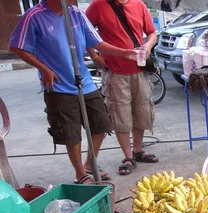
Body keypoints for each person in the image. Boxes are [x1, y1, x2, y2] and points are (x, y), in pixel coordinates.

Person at [9, 0, 138, 184]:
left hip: (83, 81)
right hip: (59, 85)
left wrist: (124, 53)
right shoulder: (34, 16)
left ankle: (88, 163)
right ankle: (80, 174)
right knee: (71, 132)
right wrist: (44, 69)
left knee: (101, 123)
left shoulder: (76, 14)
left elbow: (97, 43)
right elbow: (17, 46)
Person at [86, 0, 159, 176]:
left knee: (142, 110)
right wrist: (94, 56)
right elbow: (82, 33)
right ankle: (128, 156)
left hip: (139, 69)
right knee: (120, 114)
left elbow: (152, 33)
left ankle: (138, 150)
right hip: (115, 71)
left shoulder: (138, 4)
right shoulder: (98, 5)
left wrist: (148, 46)